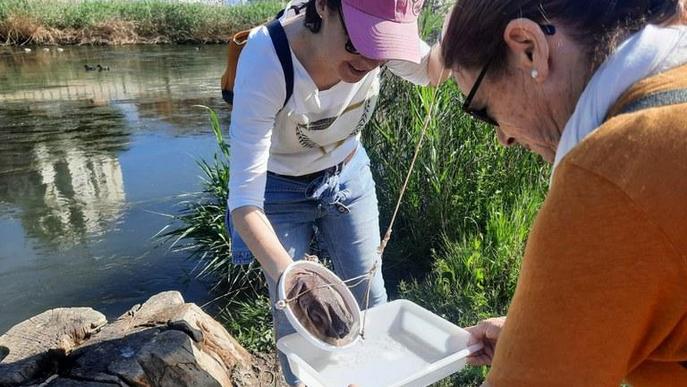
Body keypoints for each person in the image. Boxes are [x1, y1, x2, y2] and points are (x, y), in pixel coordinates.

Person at [440, 0, 687, 386]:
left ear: (528, 46)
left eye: (484, 108)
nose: (501, 137)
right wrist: (550, 335)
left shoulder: (612, 171)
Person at [226, 0, 448, 384]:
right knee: (296, 322)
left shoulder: (377, 50)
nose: (371, 60)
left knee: (371, 300)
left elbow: (433, 71)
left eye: (384, 47)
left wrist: (463, 27)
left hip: (348, 173)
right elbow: (244, 204)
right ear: (324, 6)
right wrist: (294, 279)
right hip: (277, 190)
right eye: (360, 42)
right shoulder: (267, 58)